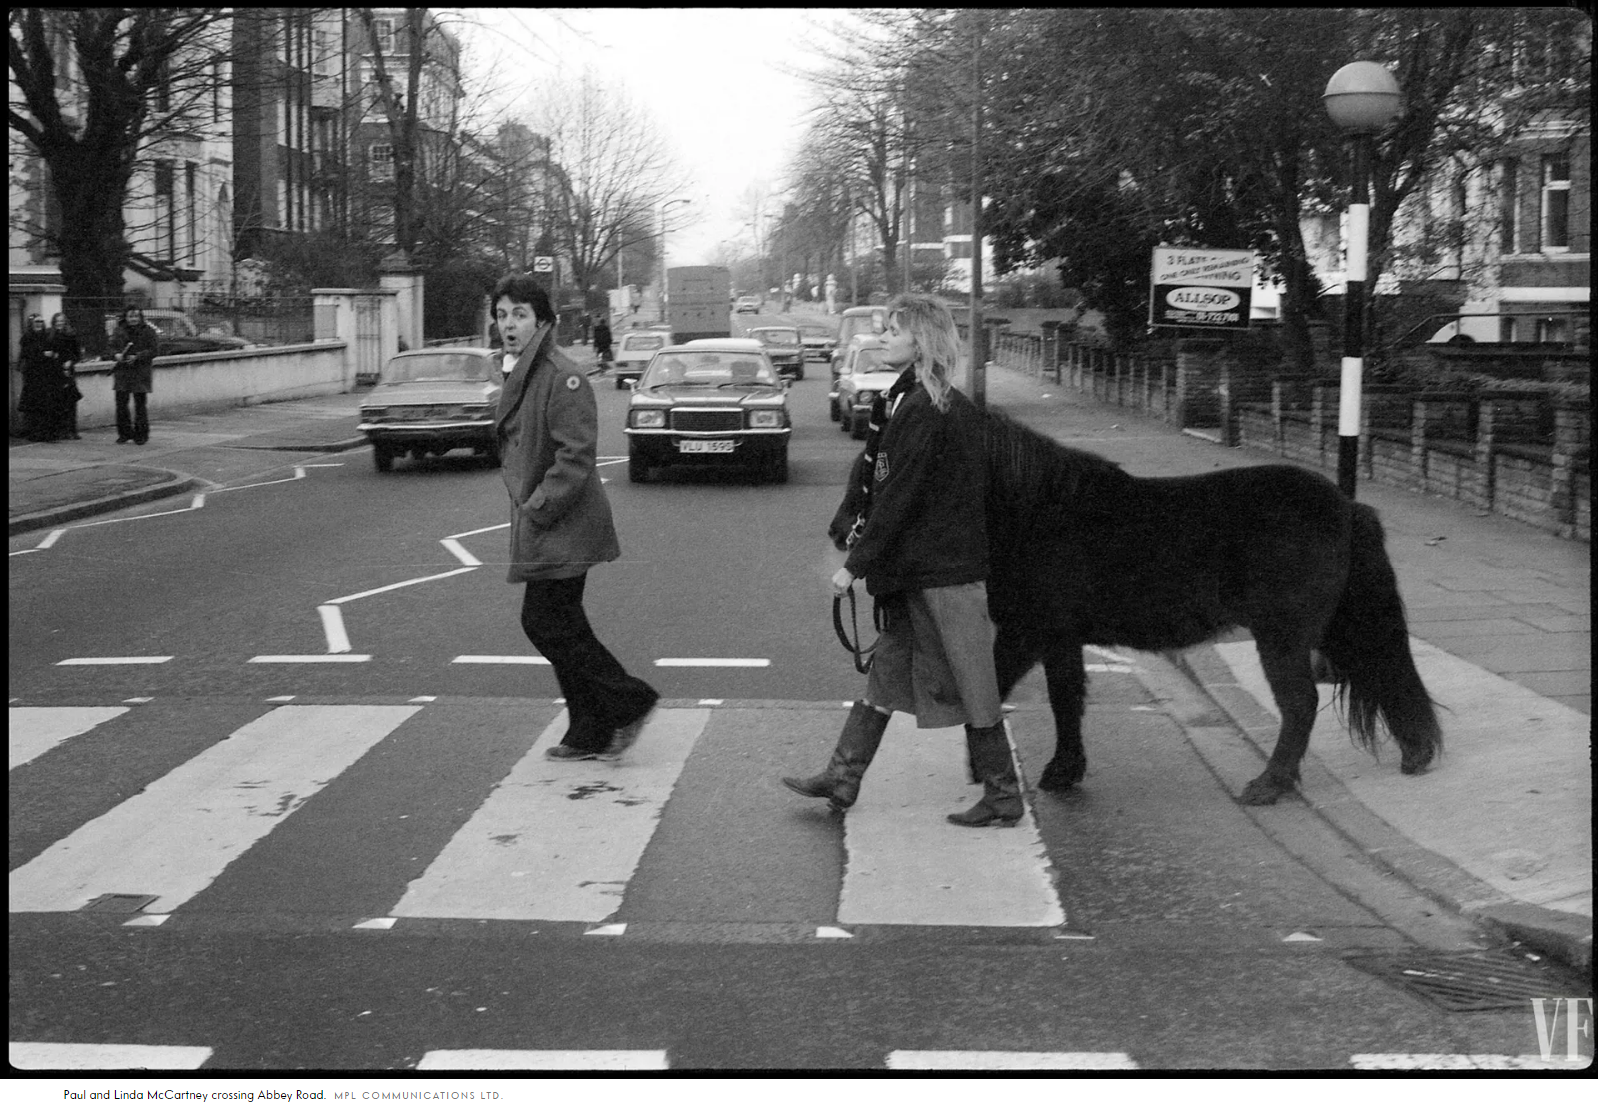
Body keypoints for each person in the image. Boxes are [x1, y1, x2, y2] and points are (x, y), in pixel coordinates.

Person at [781, 292, 1020, 828]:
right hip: (920, 571)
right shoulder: (904, 400)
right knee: (887, 677)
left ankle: (1004, 794)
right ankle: (843, 775)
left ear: (921, 342)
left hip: (946, 574)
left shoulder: (931, 410)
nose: (882, 337)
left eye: (893, 330)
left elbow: (900, 495)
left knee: (973, 683)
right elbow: (881, 484)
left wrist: (854, 564)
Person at [491, 273, 658, 760]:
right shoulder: (525, 370)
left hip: (563, 521)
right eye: (502, 315)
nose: (508, 324)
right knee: (558, 622)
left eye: (519, 314)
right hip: (547, 521)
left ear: (541, 320)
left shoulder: (561, 375)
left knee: (546, 622)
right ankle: (589, 728)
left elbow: (576, 456)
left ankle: (629, 701)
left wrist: (538, 504)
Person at [109, 306, 159, 445]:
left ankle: (141, 435)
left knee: (140, 405)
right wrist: (116, 354)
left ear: (140, 317)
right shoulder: (119, 330)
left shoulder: (148, 331)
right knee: (121, 404)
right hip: (123, 372)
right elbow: (111, 346)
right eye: (131, 316)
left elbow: (154, 350)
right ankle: (124, 433)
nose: (133, 319)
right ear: (126, 317)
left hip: (140, 372)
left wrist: (138, 356)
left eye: (136, 316)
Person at [47, 312, 83, 440]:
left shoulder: (71, 335)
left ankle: (72, 430)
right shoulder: (49, 335)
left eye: (61, 321)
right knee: (57, 402)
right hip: (54, 371)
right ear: (54, 322)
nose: (59, 323)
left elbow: (77, 354)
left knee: (71, 400)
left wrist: (71, 361)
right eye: (57, 321)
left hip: (68, 370)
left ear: (65, 322)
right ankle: (60, 430)